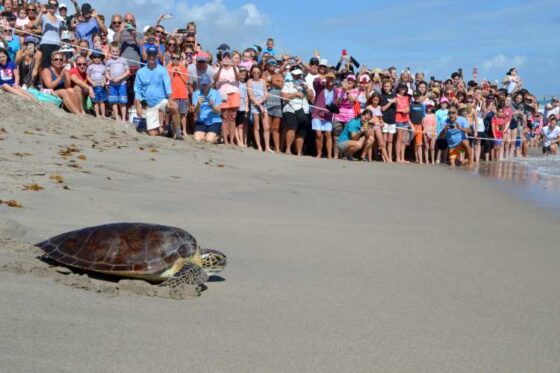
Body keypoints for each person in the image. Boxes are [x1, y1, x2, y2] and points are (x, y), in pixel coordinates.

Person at [134, 44, 180, 138]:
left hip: (161, 100)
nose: (151, 56)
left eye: (153, 54)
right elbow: (137, 91)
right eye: (150, 54)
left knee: (174, 106)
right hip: (147, 103)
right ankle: (168, 127)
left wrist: (170, 100)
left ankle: (178, 132)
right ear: (146, 55)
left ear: (156, 56)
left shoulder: (162, 70)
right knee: (152, 134)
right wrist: (138, 107)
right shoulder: (140, 72)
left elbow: (168, 87)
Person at [282, 68, 313, 156]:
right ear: (292, 75)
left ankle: (299, 152)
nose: (297, 76)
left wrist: (306, 88)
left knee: (301, 131)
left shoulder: (305, 85)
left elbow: (311, 97)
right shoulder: (287, 84)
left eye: (299, 75)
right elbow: (284, 97)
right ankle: (288, 149)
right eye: (295, 75)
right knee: (292, 128)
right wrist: (294, 94)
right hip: (291, 109)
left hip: (304, 110)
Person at [214, 50, 241, 145]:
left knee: (233, 117)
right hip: (222, 94)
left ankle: (231, 140)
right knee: (225, 117)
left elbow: (239, 79)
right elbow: (215, 79)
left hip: (234, 93)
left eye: (228, 57)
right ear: (221, 58)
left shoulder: (235, 68)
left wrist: (233, 68)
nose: (226, 58)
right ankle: (225, 139)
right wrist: (221, 67)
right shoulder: (218, 68)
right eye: (224, 57)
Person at [30, 0, 63, 69]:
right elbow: (35, 25)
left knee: (56, 66)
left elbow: (60, 34)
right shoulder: (43, 16)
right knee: (46, 66)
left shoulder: (59, 20)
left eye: (55, 5)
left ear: (57, 7)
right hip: (46, 44)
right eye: (50, 4)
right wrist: (41, 12)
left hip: (57, 45)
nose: (52, 6)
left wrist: (60, 42)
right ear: (48, 5)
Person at [312, 71, 336, 159]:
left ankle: (329, 154)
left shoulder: (335, 90)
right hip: (318, 113)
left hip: (328, 115)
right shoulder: (320, 87)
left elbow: (337, 101)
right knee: (318, 134)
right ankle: (319, 153)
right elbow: (315, 81)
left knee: (328, 134)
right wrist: (326, 75)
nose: (330, 80)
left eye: (332, 78)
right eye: (329, 78)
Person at [192, 73, 222, 143]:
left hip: (214, 121)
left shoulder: (216, 93)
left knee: (209, 140)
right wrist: (198, 104)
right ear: (200, 84)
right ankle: (206, 135)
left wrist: (212, 106)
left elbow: (218, 111)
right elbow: (195, 112)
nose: (204, 86)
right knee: (197, 139)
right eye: (203, 84)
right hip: (201, 121)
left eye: (206, 84)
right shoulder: (196, 93)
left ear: (209, 84)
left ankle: (218, 137)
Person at [247, 64, 270, 152]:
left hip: (263, 104)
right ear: (251, 73)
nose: (256, 73)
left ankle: (267, 147)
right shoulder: (249, 81)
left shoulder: (263, 81)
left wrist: (261, 103)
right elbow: (250, 95)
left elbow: (266, 94)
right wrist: (258, 105)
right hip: (254, 105)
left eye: (257, 72)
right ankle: (259, 146)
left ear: (260, 72)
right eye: (254, 72)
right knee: (257, 127)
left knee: (266, 127)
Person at [166, 52, 189, 138]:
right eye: (173, 58)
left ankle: (184, 131)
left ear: (180, 60)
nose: (175, 60)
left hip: (182, 94)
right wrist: (172, 73)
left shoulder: (183, 68)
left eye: (177, 58)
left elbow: (186, 81)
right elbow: (167, 81)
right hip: (173, 95)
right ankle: (175, 132)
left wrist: (180, 72)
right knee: (173, 114)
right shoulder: (168, 68)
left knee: (183, 114)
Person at [105, 41, 130, 121]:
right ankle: (116, 117)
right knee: (114, 101)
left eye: (116, 51)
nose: (115, 53)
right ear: (110, 51)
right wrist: (110, 78)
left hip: (122, 83)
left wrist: (120, 78)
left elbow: (127, 72)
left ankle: (123, 118)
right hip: (112, 84)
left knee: (122, 101)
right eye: (113, 51)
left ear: (119, 51)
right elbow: (106, 73)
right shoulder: (108, 62)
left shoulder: (123, 60)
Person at [86, 49, 107, 117]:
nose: (97, 59)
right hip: (94, 86)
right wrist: (92, 82)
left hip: (101, 86)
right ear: (92, 58)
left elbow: (105, 75)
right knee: (95, 102)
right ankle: (97, 114)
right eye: (95, 57)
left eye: (98, 57)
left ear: (101, 58)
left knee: (102, 101)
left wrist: (104, 82)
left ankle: (103, 114)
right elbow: (88, 76)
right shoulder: (90, 67)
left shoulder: (103, 67)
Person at [380, 79, 396, 162]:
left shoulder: (394, 95)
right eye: (384, 86)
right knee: (384, 140)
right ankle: (384, 157)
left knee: (390, 141)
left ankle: (389, 157)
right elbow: (383, 109)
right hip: (384, 120)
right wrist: (390, 103)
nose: (386, 88)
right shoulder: (382, 96)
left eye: (387, 86)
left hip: (392, 120)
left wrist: (396, 102)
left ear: (391, 87)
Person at [394, 83, 411, 163]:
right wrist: (401, 110)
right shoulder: (395, 97)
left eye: (404, 88)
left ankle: (402, 158)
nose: (403, 89)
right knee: (399, 138)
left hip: (406, 119)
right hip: (399, 119)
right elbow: (394, 109)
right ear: (399, 88)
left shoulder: (407, 97)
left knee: (404, 139)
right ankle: (398, 158)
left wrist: (407, 110)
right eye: (401, 88)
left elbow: (408, 107)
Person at [409, 90, 425, 163]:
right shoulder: (411, 104)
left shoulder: (422, 105)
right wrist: (411, 125)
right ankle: (415, 158)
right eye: (415, 96)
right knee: (407, 142)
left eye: (417, 96)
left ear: (420, 96)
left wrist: (423, 126)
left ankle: (420, 160)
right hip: (411, 126)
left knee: (419, 144)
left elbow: (423, 117)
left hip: (419, 126)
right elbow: (407, 117)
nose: (416, 97)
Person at [236, 66, 249, 147]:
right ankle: (238, 141)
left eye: (244, 73)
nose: (243, 74)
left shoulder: (246, 83)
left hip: (243, 106)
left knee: (241, 125)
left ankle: (242, 140)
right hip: (236, 105)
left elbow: (247, 96)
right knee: (236, 124)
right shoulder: (236, 83)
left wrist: (247, 106)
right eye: (241, 73)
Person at [422, 100, 437, 164]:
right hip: (425, 132)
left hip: (433, 132)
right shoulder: (424, 115)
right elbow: (422, 124)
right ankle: (427, 160)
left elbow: (435, 124)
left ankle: (433, 160)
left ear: (432, 108)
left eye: (430, 107)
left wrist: (432, 131)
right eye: (428, 107)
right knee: (426, 147)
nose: (429, 109)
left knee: (432, 147)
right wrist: (425, 131)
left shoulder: (434, 115)